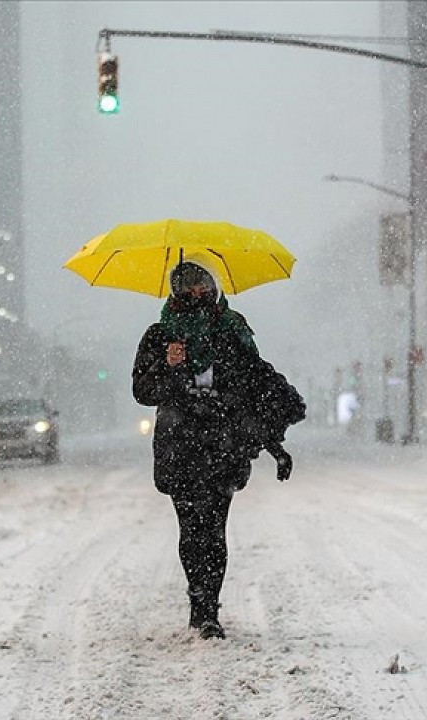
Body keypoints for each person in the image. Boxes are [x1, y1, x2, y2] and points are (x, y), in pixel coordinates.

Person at [132, 259, 305, 639]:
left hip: (222, 446)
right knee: (191, 530)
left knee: (214, 530)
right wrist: (168, 365)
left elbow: (255, 387)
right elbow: (143, 391)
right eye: (188, 286)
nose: (197, 292)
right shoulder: (160, 336)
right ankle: (198, 604)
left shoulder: (232, 331)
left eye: (203, 285)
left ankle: (209, 611)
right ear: (176, 292)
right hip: (180, 448)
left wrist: (273, 442)